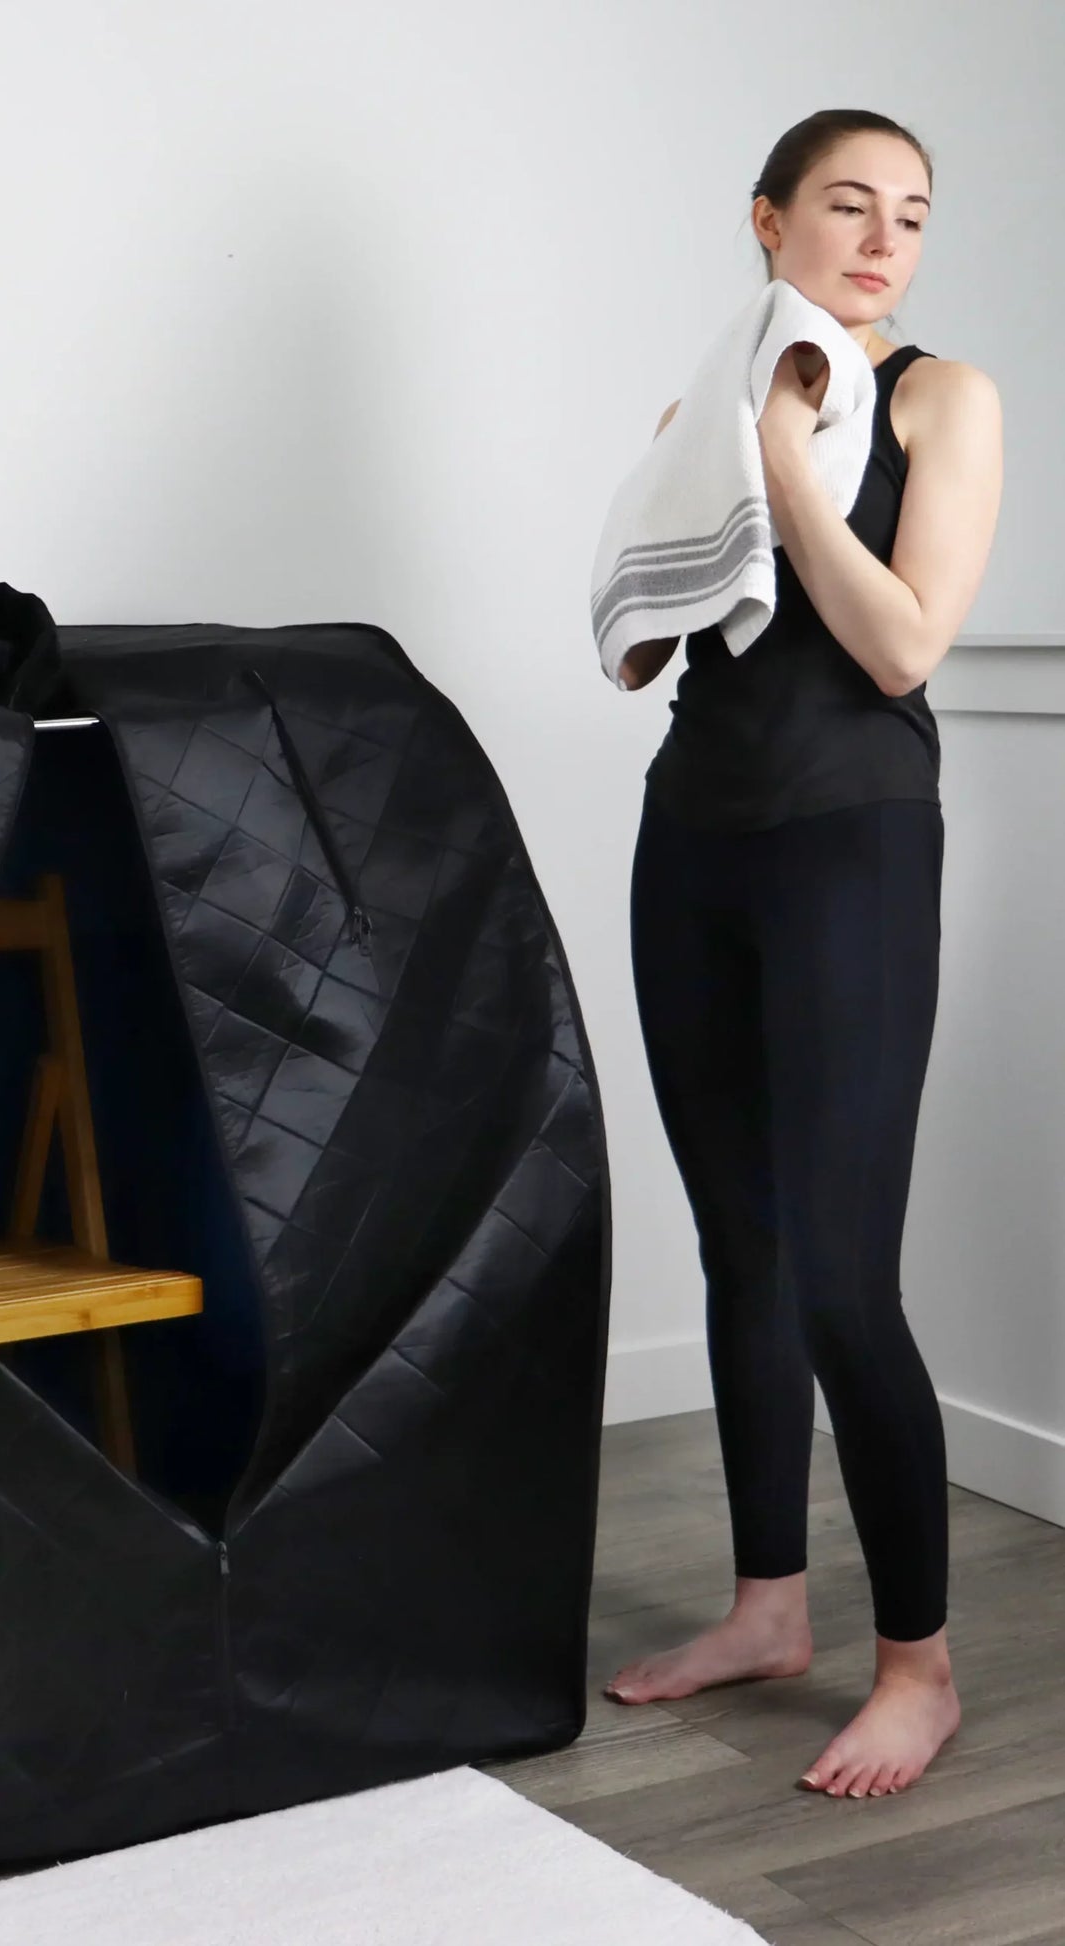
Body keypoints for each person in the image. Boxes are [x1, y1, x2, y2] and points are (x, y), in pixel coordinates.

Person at [603, 109, 1003, 1802]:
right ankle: (770, 1604)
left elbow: (903, 645)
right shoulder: (718, 397)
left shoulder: (939, 399)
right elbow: (643, 640)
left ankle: (917, 1665)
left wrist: (779, 472)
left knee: (843, 1274)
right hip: (692, 842)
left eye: (907, 215)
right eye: (845, 204)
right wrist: (720, 456)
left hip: (850, 846)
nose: (879, 240)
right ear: (766, 222)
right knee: (738, 1249)